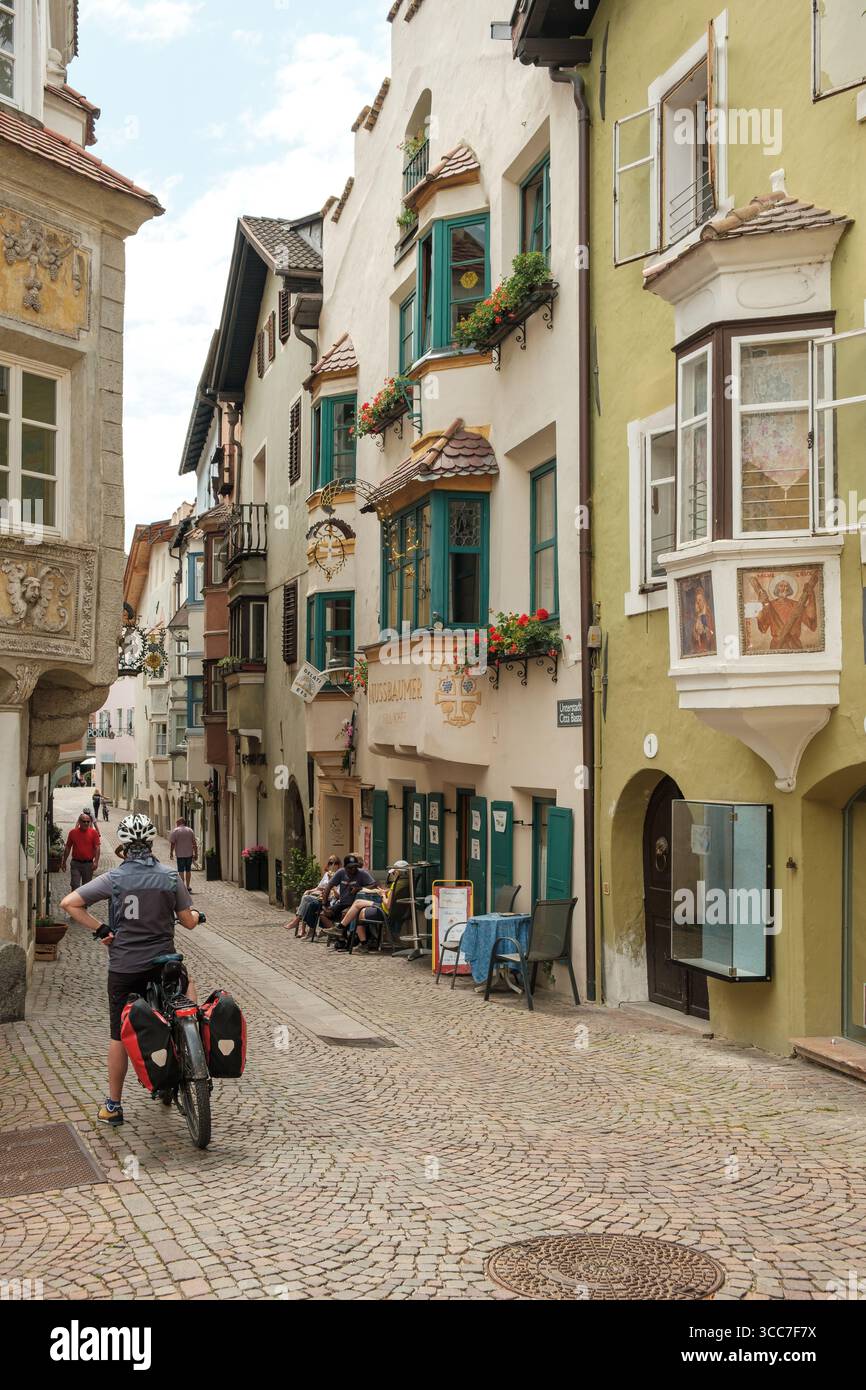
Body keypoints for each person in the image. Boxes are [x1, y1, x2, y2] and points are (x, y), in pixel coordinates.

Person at [60, 813, 202, 1128]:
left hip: (125, 967)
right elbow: (189, 921)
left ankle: (113, 1105)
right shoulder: (169, 878)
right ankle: (191, 1033)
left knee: (119, 1034)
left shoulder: (115, 879)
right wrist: (193, 912)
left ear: (124, 845)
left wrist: (101, 930)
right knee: (187, 985)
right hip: (164, 964)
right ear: (152, 842)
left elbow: (69, 902)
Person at [338, 862, 408, 953]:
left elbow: (388, 905)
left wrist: (383, 895)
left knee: (358, 912)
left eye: (394, 873)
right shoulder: (405, 883)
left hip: (385, 911)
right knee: (358, 903)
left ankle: (362, 943)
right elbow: (395, 895)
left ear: (398, 872)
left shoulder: (395, 884)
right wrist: (387, 892)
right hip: (397, 911)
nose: (393, 875)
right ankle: (341, 928)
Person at [322, 854, 377, 944]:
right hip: (342, 902)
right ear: (345, 867)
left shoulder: (362, 873)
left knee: (345, 913)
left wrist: (359, 888)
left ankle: (344, 938)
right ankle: (340, 938)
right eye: (350, 868)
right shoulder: (340, 872)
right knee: (323, 914)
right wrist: (324, 905)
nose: (353, 870)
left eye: (355, 867)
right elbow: (329, 886)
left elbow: (373, 885)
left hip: (354, 904)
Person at [285, 856, 342, 936]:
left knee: (308, 902)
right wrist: (309, 890)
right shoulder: (327, 874)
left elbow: (337, 894)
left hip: (329, 900)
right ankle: (302, 928)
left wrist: (331, 883)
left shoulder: (339, 876)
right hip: (321, 896)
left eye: (335, 863)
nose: (332, 865)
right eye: (330, 863)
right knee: (306, 897)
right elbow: (319, 888)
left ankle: (299, 923)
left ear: (338, 865)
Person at [61, 809, 102, 889]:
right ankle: (75, 901)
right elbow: (68, 847)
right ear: (79, 822)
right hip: (76, 863)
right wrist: (64, 861)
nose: (86, 823)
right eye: (84, 821)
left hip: (88, 864)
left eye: (88, 821)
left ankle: (85, 902)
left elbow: (97, 848)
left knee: (86, 888)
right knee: (75, 885)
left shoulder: (94, 833)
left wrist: (96, 861)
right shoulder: (73, 832)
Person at [169, 817, 198, 892]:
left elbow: (172, 843)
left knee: (181, 870)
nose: (176, 824)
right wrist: (196, 853)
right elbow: (194, 843)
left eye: (177, 823)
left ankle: (183, 887)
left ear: (179, 822)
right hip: (189, 854)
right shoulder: (190, 830)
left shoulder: (175, 831)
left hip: (180, 854)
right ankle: (188, 886)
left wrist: (171, 852)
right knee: (188, 870)